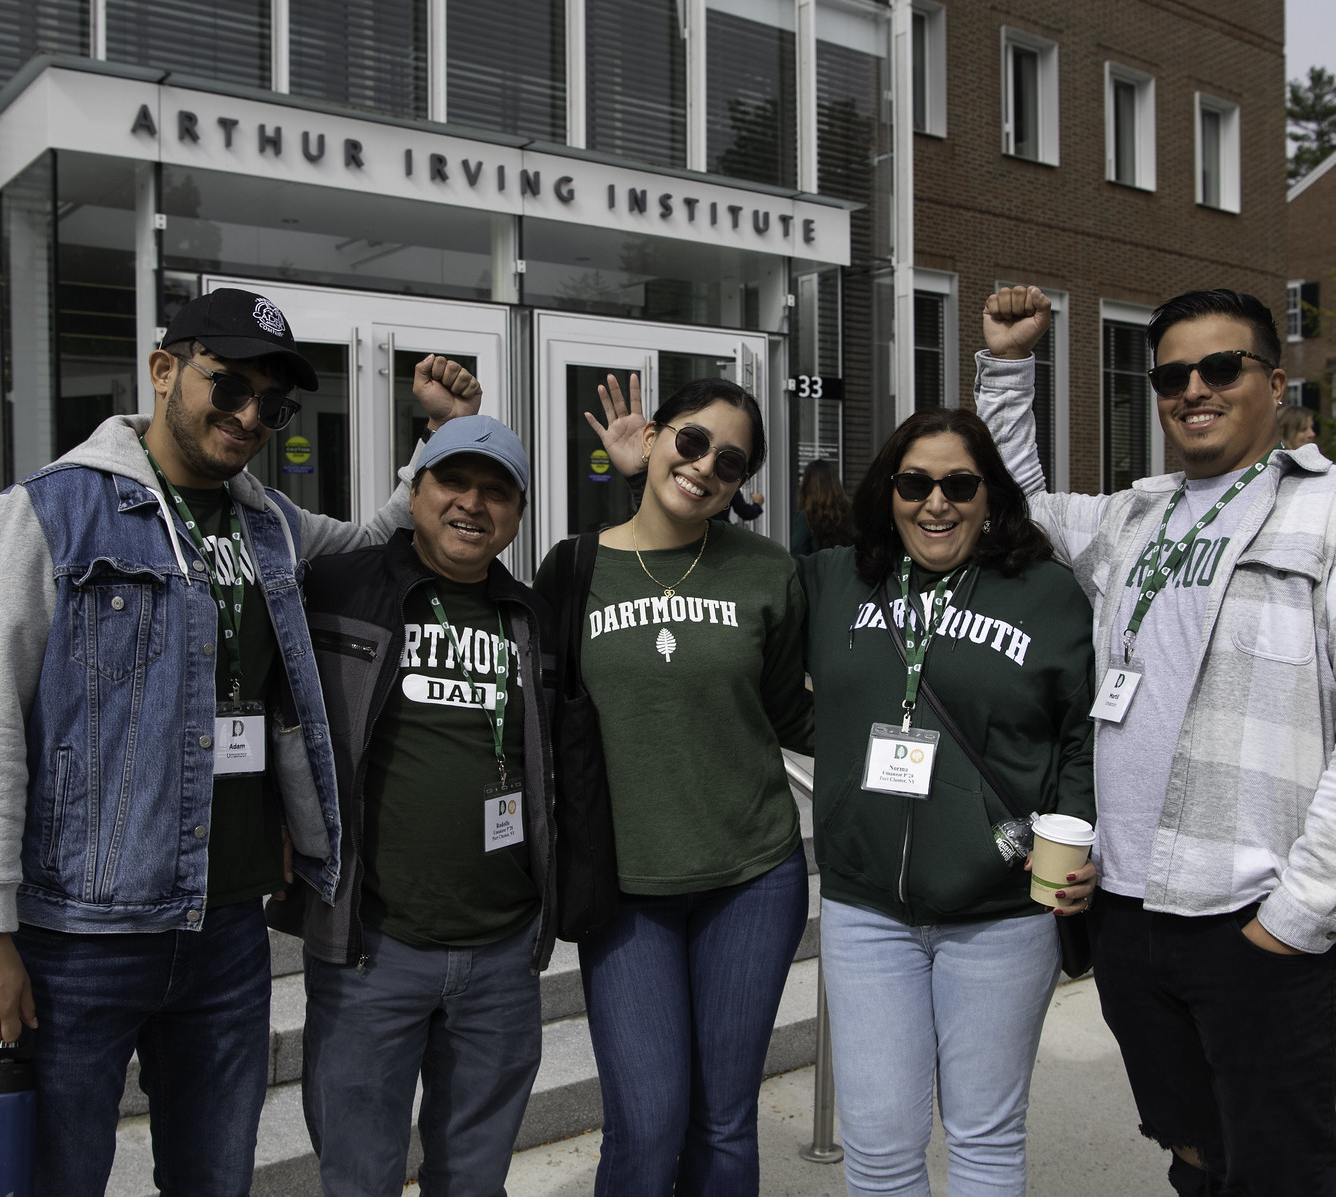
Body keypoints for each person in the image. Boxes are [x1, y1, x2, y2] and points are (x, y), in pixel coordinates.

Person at [0, 286, 481, 1195]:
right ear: (163, 370)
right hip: (85, 928)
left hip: (227, 926)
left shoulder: (265, 521)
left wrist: (439, 438)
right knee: (58, 1177)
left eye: (272, 404)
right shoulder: (50, 513)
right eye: (226, 386)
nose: (247, 416)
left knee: (213, 1179)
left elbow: (374, 544)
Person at [977, 285, 1336, 1196]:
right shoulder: (1133, 517)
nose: (1194, 388)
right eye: (1171, 373)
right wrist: (1006, 367)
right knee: (1189, 1148)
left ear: (1272, 381)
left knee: (1277, 1170)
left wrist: (1298, 916)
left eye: (1220, 367)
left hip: (1255, 917)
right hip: (1128, 910)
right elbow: (1011, 499)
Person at [796, 408, 1097, 1194]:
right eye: (914, 483)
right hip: (867, 912)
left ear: (988, 493)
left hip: (1000, 912)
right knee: (879, 1148)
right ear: (887, 492)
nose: (936, 503)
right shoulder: (835, 579)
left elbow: (1079, 733)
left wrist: (1076, 838)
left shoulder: (1045, 594)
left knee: (985, 1140)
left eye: (958, 484)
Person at [538, 374, 813, 1196]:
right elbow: (540, 722)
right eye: (690, 441)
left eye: (727, 463)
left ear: (740, 485)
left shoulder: (768, 571)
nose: (703, 467)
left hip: (752, 878)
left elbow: (789, 718)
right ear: (653, 436)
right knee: (647, 1124)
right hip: (624, 889)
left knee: (724, 1121)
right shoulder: (572, 568)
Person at [290, 415, 559, 1197]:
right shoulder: (340, 587)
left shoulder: (533, 618)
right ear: (415, 492)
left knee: (474, 1180)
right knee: (358, 1175)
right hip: (373, 947)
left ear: (516, 512)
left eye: (496, 491)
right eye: (453, 482)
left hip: (501, 951)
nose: (472, 504)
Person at [791, 458, 855, 555]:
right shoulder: (851, 513)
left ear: (807, 485)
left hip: (817, 569)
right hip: (846, 569)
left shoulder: (806, 517)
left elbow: (798, 553)